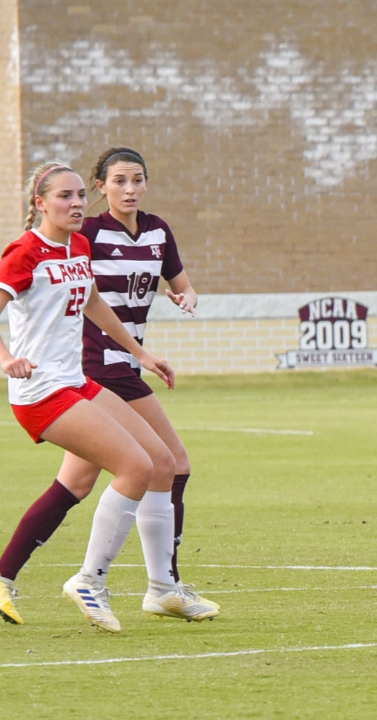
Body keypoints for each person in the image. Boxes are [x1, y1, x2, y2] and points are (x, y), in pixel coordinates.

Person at [0, 161, 215, 632]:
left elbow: (94, 302)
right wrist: (5, 357)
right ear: (40, 204)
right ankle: (89, 581)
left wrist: (143, 352)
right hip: (40, 391)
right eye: (64, 197)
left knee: (160, 461)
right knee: (134, 467)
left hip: (76, 380)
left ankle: (160, 589)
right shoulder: (23, 253)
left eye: (80, 195)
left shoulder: (77, 245)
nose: (77, 204)